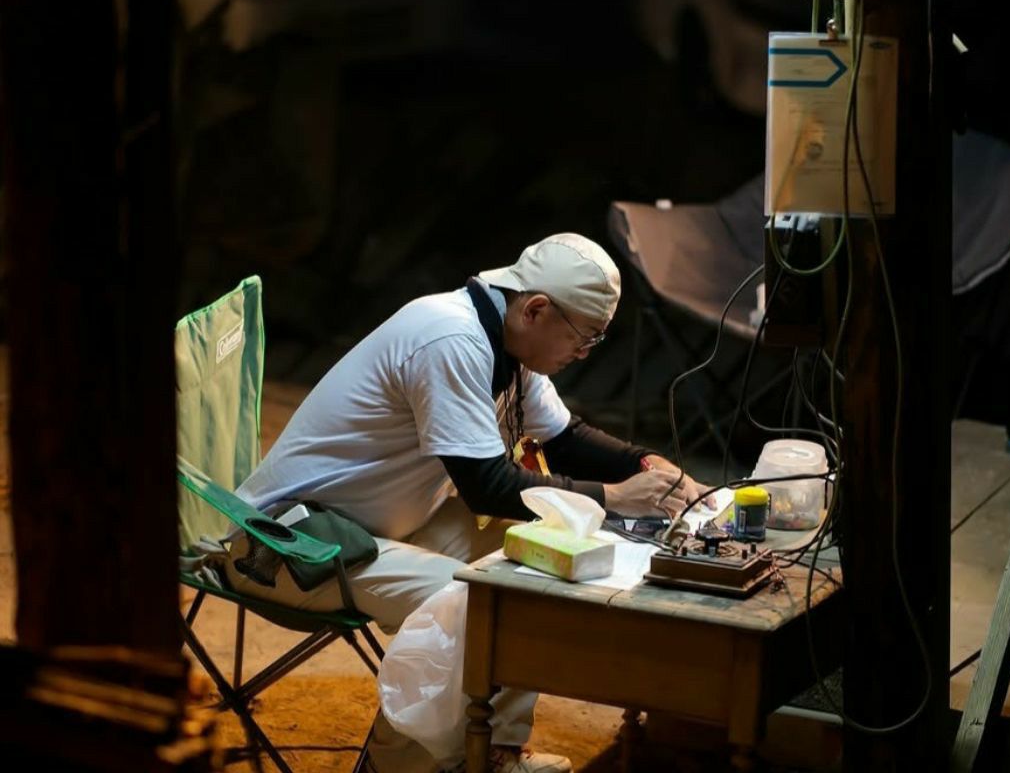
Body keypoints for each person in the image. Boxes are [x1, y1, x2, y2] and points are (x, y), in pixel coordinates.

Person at [223, 233, 710, 773]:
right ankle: (391, 769)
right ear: (536, 309)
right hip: (290, 544)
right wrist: (616, 498)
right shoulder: (449, 338)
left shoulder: (508, 337)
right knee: (474, 603)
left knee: (543, 558)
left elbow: (565, 437)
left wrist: (647, 465)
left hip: (375, 527)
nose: (584, 353)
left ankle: (494, 751)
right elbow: (486, 486)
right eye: (585, 337)